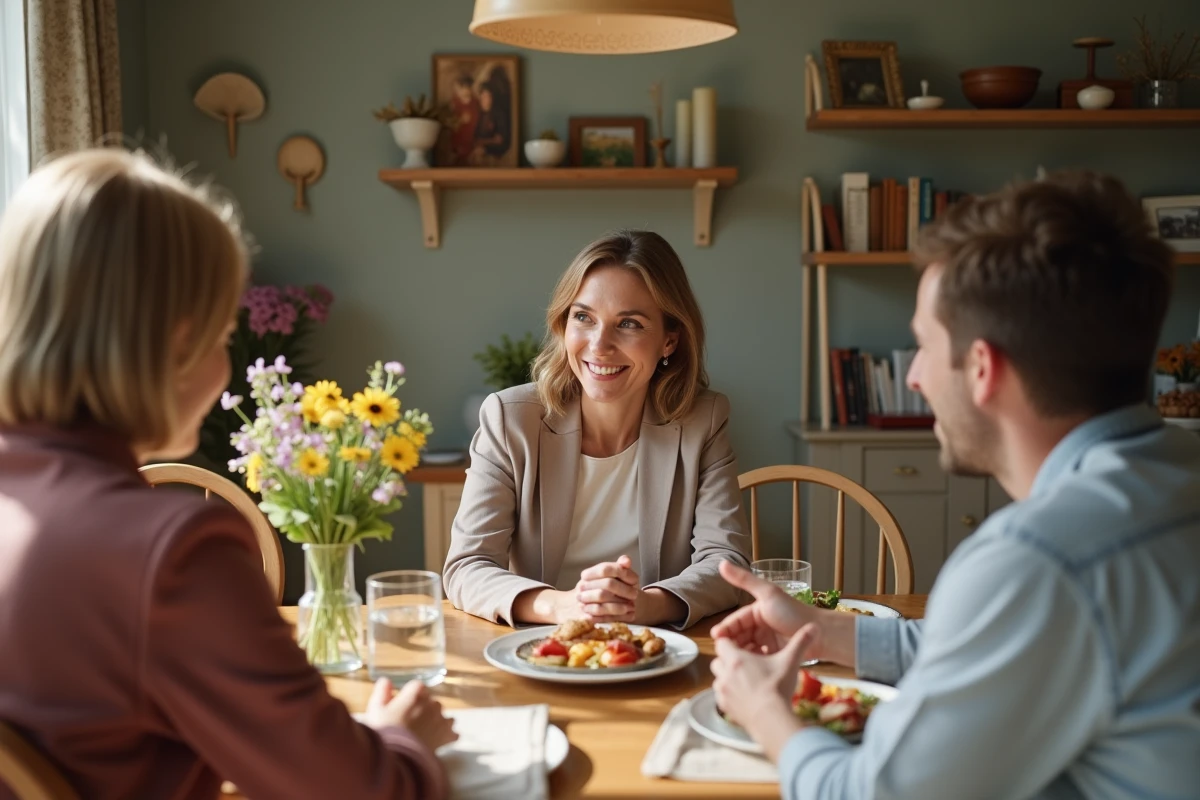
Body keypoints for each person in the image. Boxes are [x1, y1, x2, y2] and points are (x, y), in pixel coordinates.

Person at [709, 170, 1200, 798]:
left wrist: (764, 711)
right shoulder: (1178, 473)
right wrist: (828, 631)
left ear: (983, 369)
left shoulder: (1036, 561)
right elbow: (1010, 650)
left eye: (922, 346)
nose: (913, 377)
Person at [0, 149, 455, 800]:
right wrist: (402, 737)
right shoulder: (169, 551)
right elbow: (363, 790)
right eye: (223, 336)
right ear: (177, 344)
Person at [443, 230, 751, 629]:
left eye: (630, 324)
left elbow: (726, 562)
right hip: (539, 646)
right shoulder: (510, 419)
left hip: (650, 649)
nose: (599, 345)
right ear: (563, 324)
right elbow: (467, 566)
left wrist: (644, 605)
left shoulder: (702, 421)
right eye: (584, 317)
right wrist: (562, 607)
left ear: (669, 341)